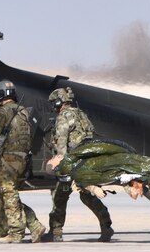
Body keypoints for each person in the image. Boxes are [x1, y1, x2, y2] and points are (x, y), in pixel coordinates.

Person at [0, 88, 45, 243]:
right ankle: (18, 227)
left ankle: (16, 232)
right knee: (2, 195)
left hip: (8, 158)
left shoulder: (1, 113)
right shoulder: (24, 112)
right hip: (23, 158)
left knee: (9, 194)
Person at [44, 87, 114, 242]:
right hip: (87, 160)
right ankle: (106, 225)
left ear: (58, 102)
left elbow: (62, 145)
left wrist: (59, 163)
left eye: (54, 103)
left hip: (72, 162)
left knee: (60, 196)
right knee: (87, 195)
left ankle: (56, 232)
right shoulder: (81, 114)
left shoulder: (63, 117)